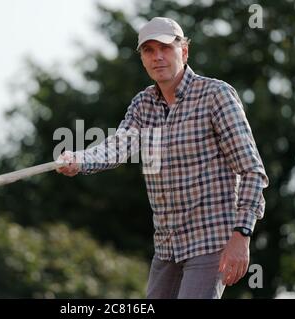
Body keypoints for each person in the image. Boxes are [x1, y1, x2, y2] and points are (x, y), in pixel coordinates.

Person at [56, 17, 269, 299]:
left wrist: (241, 235)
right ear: (142, 58)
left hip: (211, 241)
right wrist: (79, 159)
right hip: (167, 247)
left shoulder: (216, 95)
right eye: (149, 50)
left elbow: (252, 170)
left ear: (184, 51)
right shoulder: (143, 104)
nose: (157, 57)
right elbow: (117, 146)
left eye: (165, 48)